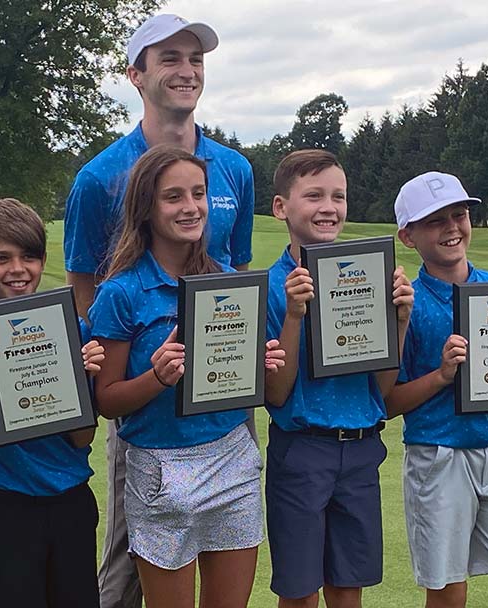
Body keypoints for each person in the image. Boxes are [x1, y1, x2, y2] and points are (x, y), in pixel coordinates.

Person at [62, 14, 256, 608]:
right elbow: (83, 287)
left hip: (223, 406)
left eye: (195, 59)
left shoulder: (235, 170)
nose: (186, 70)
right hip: (147, 414)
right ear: (136, 74)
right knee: (126, 563)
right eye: (169, 58)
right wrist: (133, 362)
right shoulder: (99, 178)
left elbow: (235, 275)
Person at [88, 145, 284, 608]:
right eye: (173, 197)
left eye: (198, 193)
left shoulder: (226, 282)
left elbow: (252, 388)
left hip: (231, 459)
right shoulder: (121, 292)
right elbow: (107, 401)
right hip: (158, 469)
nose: (191, 206)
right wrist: (156, 376)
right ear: (146, 208)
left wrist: (258, 366)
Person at [385, 171, 488, 608]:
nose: (452, 228)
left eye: (459, 215)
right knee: (447, 597)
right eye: (435, 221)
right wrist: (441, 376)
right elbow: (388, 401)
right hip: (437, 458)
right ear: (409, 236)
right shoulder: (406, 304)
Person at [262, 150, 413, 608]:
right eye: (314, 196)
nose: (329, 207)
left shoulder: (372, 276)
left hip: (363, 448)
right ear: (281, 207)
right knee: (301, 590)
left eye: (338, 196)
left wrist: (400, 321)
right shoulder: (271, 285)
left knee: (348, 588)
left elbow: (383, 391)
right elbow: (276, 392)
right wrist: (293, 315)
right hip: (302, 450)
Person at [0, 198, 103, 608]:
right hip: (6, 506)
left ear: (43, 260)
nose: (18, 269)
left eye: (29, 256)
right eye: (2, 258)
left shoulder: (72, 328)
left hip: (71, 500)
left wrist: (80, 377)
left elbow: (81, 437)